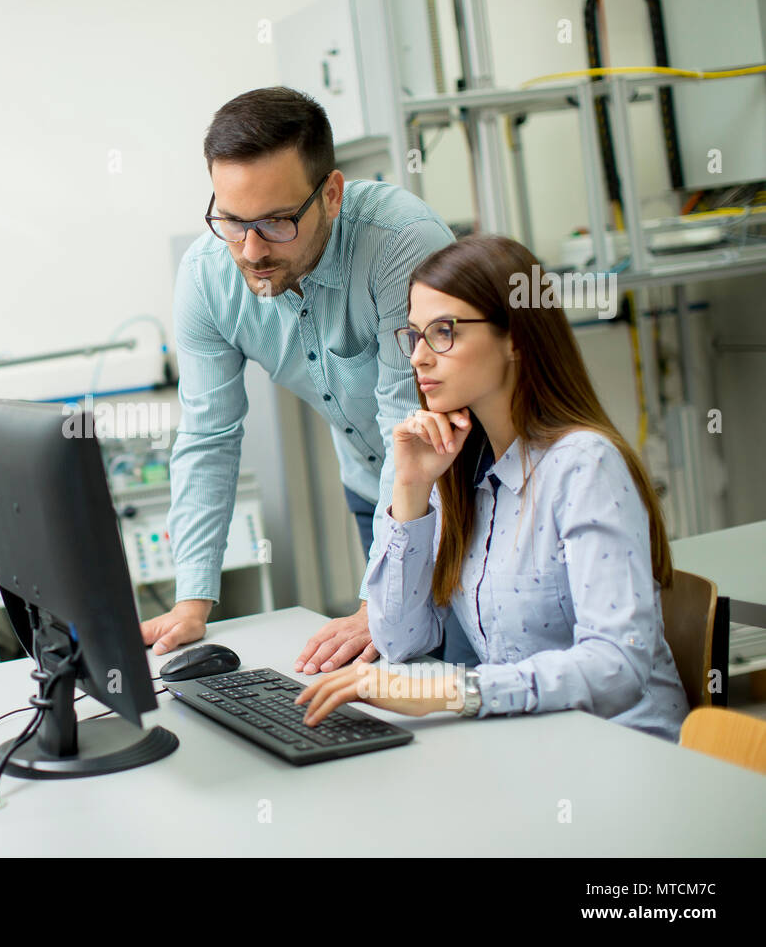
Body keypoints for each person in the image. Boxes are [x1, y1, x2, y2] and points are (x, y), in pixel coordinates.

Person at [294, 234, 690, 742]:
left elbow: (617, 666)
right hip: (530, 744)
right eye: (414, 336)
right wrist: (411, 488)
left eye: (444, 333)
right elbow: (398, 640)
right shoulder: (459, 468)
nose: (418, 358)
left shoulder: (584, 465)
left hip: (623, 750)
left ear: (515, 338)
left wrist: (448, 693)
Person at [139, 86, 457, 672]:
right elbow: (209, 436)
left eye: (278, 221)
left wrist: (376, 605)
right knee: (399, 678)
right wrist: (192, 599)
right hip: (372, 491)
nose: (252, 250)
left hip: (462, 490)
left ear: (331, 195)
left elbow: (405, 424)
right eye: (232, 221)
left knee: (466, 678)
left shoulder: (400, 245)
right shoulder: (208, 277)